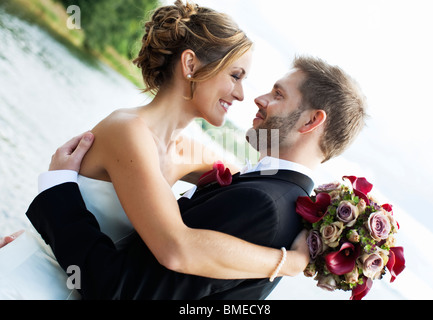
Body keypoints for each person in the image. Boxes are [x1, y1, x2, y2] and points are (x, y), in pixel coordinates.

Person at [0, 1, 314, 299]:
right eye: (235, 76)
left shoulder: (192, 154)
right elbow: (176, 246)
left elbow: (260, 190)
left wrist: (327, 224)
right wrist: (287, 263)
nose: (242, 94)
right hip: (27, 282)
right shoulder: (128, 131)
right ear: (190, 64)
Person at [22, 55, 367, 300]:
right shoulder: (272, 195)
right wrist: (38, 248)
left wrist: (59, 193)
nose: (256, 98)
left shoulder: (262, 204)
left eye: (278, 94)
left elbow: (120, 290)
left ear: (311, 122)